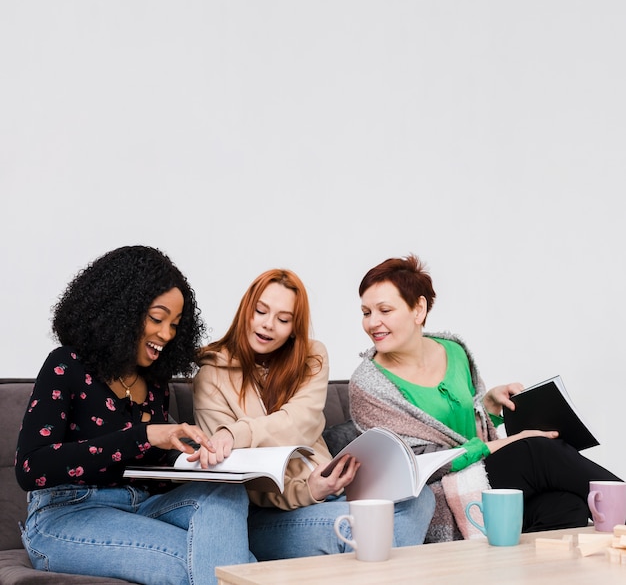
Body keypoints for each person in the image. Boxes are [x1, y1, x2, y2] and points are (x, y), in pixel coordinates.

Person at [15, 246, 252, 585]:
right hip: (65, 513)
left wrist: (191, 454)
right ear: (121, 311)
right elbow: (30, 468)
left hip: (140, 505)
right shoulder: (66, 365)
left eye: (174, 325)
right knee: (228, 567)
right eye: (157, 319)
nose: (167, 335)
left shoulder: (154, 384)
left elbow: (148, 471)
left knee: (227, 495)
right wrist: (144, 436)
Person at [349, 254, 623, 543]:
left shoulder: (454, 350)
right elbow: (412, 463)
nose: (372, 323)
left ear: (418, 309)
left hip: (483, 478)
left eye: (384, 310)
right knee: (537, 451)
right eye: (366, 312)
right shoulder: (368, 384)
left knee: (566, 504)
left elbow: (467, 423)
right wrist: (511, 443)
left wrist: (489, 406)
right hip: (442, 491)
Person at [192, 268, 435, 560]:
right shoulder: (211, 377)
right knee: (364, 529)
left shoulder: (312, 358)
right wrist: (309, 490)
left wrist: (236, 434)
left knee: (419, 499)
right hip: (268, 515)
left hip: (334, 490)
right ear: (246, 310)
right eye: (260, 311)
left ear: (295, 327)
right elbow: (235, 472)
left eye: (283, 319)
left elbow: (299, 423)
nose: (268, 325)